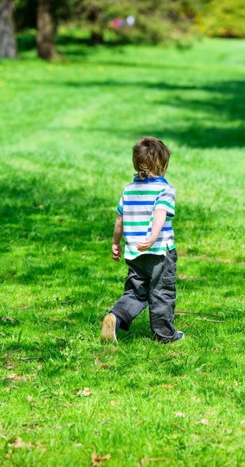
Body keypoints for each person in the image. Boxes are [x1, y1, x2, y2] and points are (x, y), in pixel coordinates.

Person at [100, 137, 183, 343]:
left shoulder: (129, 191)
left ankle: (115, 317)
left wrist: (115, 242)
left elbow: (120, 220)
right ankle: (165, 335)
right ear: (164, 167)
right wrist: (153, 238)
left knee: (136, 291)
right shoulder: (164, 190)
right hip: (159, 253)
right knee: (161, 292)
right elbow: (160, 214)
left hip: (135, 253)